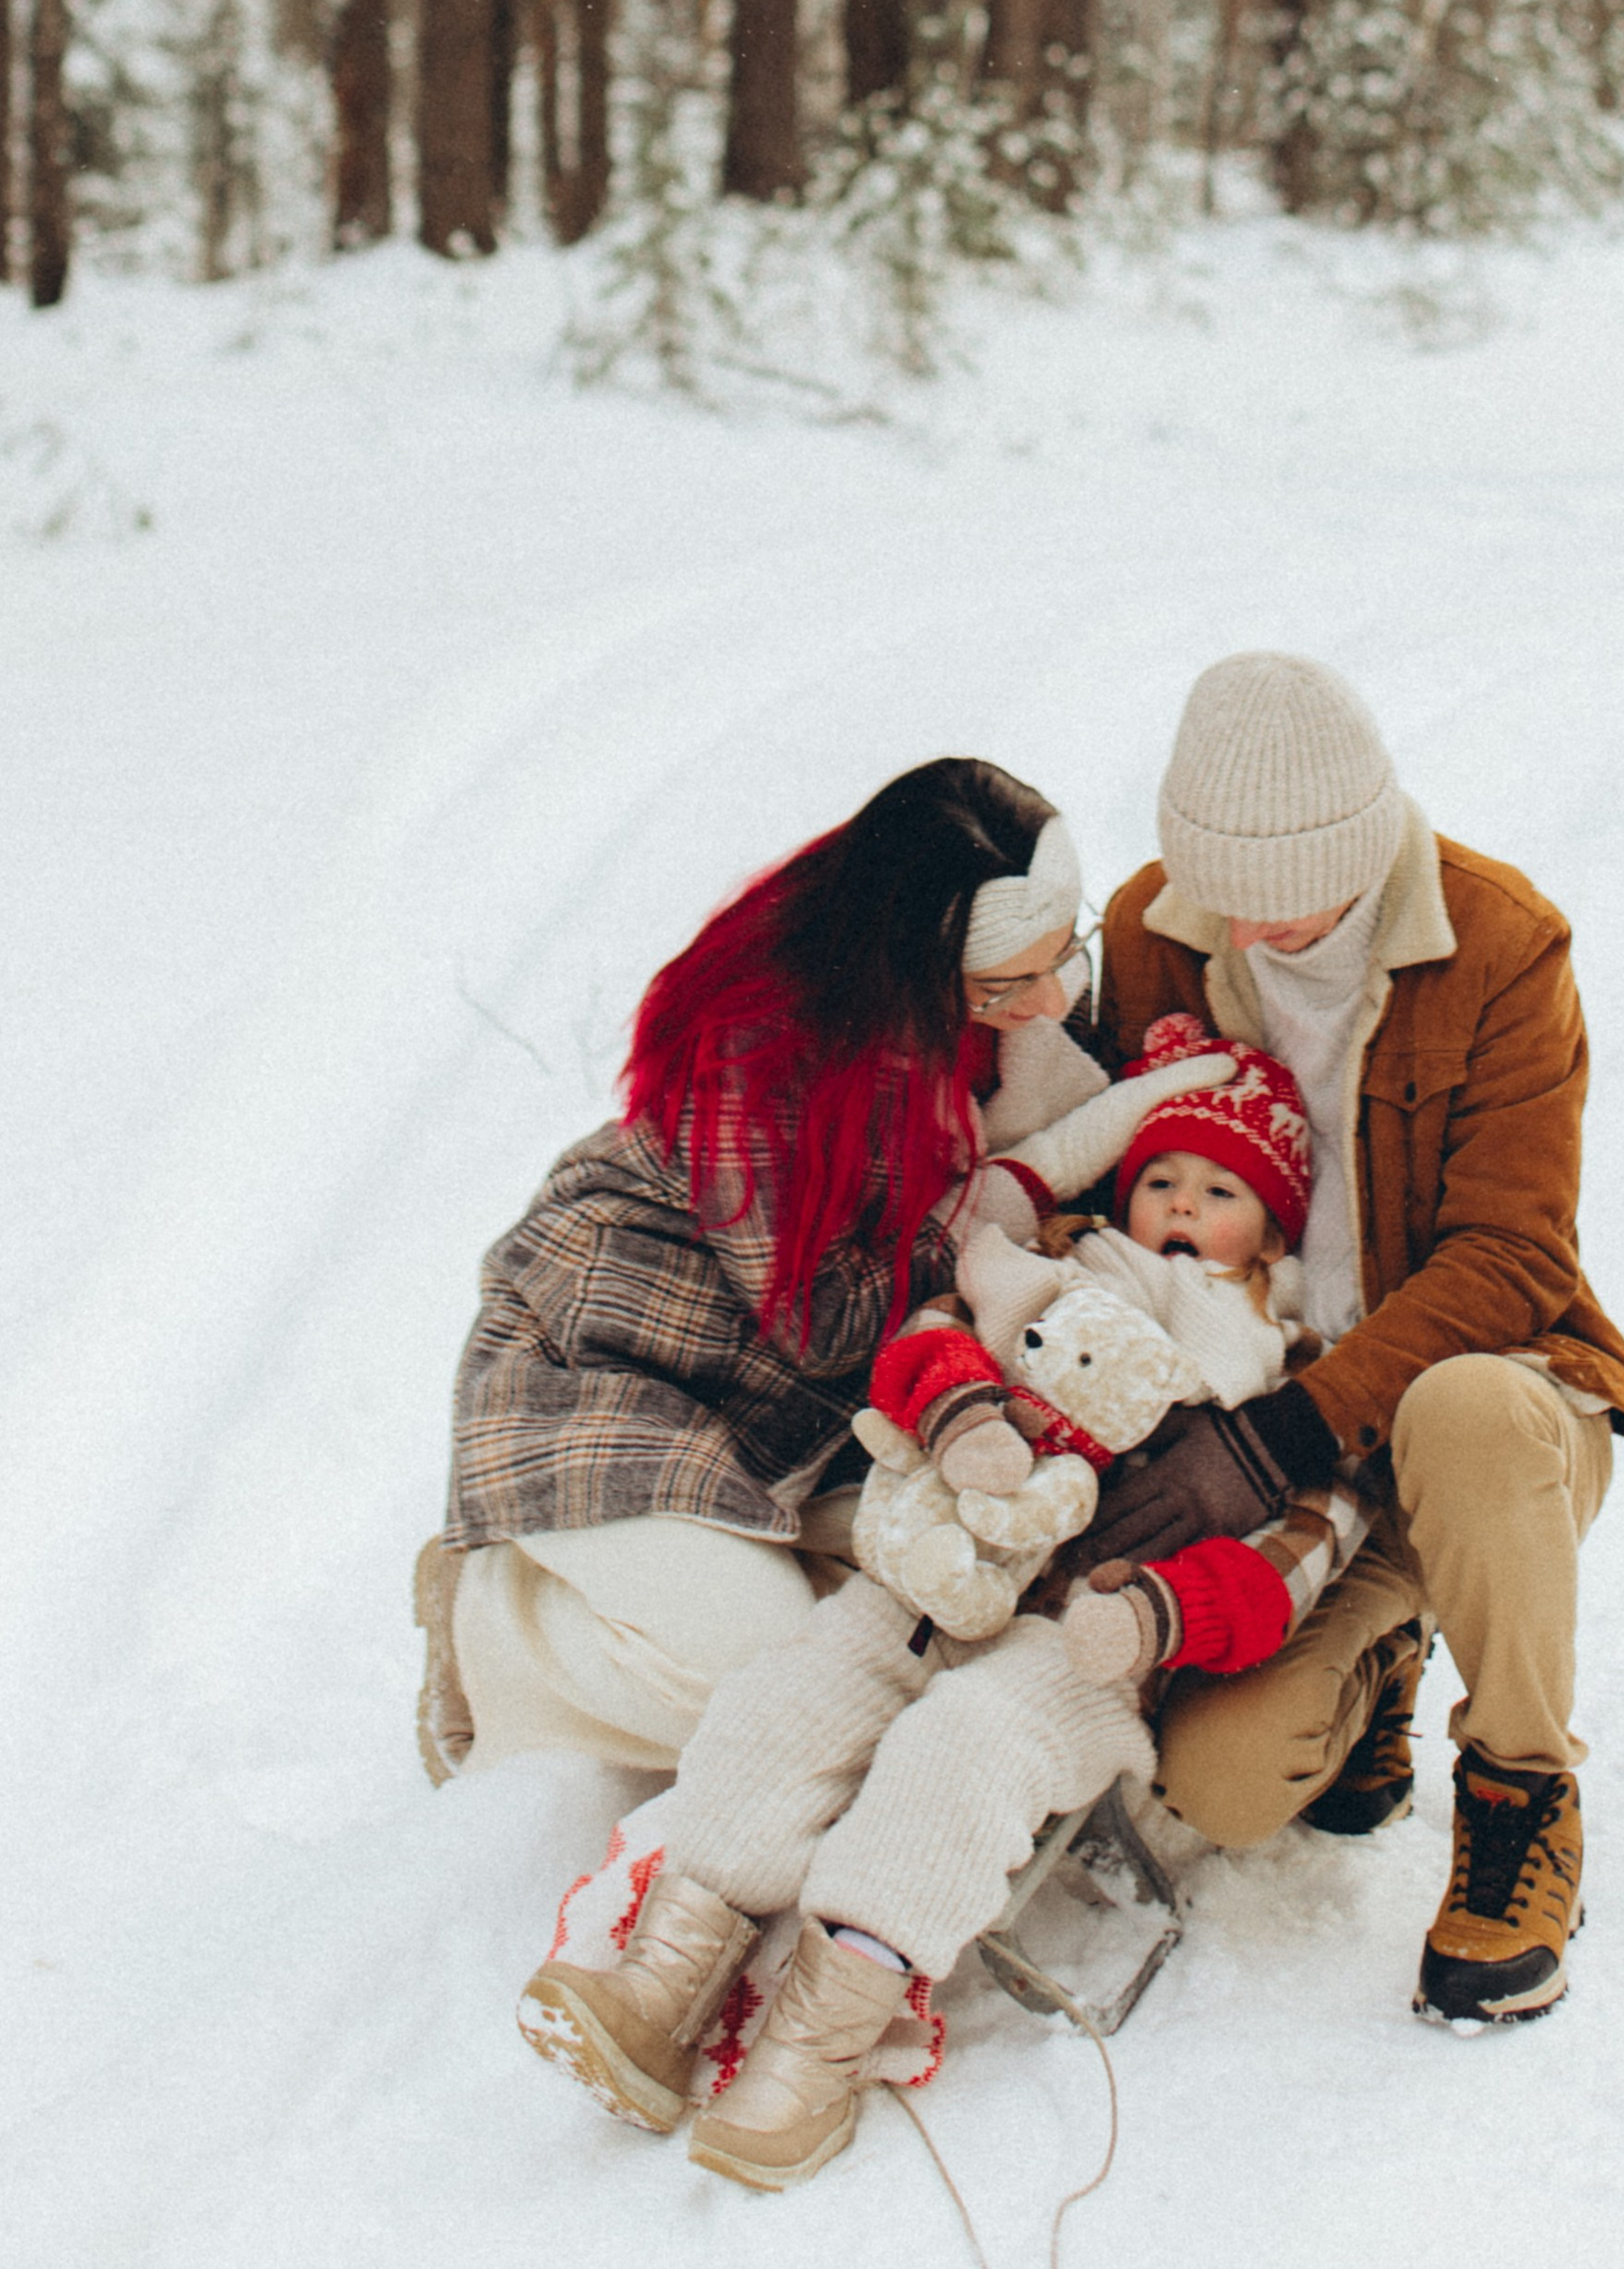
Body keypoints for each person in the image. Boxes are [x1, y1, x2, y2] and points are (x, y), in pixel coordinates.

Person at [517, 1037, 1365, 2195]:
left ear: (1269, 1232)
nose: (1179, 1206)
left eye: (1219, 1193)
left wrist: (1168, 1611)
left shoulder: (1282, 1374)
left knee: (960, 1752)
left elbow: (1299, 1553)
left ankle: (817, 2044)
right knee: (795, 1699)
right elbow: (926, 1336)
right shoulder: (1054, 1269)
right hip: (935, 1565)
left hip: (1088, 1638)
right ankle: (666, 1973)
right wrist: (966, 1414)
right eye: (1161, 1178)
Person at [418, 755, 1178, 1786]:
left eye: (1063, 955)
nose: (1049, 1002)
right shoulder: (768, 1050)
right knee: (760, 1688)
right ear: (918, 964)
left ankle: (660, 1590)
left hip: (777, 1415)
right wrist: (1002, 1208)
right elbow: (824, 1324)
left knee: (892, 1646)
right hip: (609, 1361)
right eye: (1009, 983)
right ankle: (490, 1629)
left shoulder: (982, 1007)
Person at [1093, 651, 1624, 2030]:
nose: (1260, 935)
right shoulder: (1158, 930)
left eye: (1295, 904)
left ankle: (1525, 1799)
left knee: (1458, 1409)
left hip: (1489, 1411)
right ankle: (1377, 1655)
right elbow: (1114, 1183)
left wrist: (1304, 1419)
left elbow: (1514, 1257)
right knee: (1221, 1789)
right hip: (1281, 1437)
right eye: (1231, 900)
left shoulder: (1502, 943)